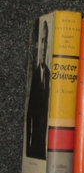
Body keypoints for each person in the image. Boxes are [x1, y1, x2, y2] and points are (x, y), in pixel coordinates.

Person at [25, 19, 51, 160]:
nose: (43, 46)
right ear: (37, 45)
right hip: (33, 144)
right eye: (41, 41)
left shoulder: (48, 73)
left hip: (43, 145)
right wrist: (28, 147)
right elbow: (29, 113)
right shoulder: (34, 76)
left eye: (45, 41)